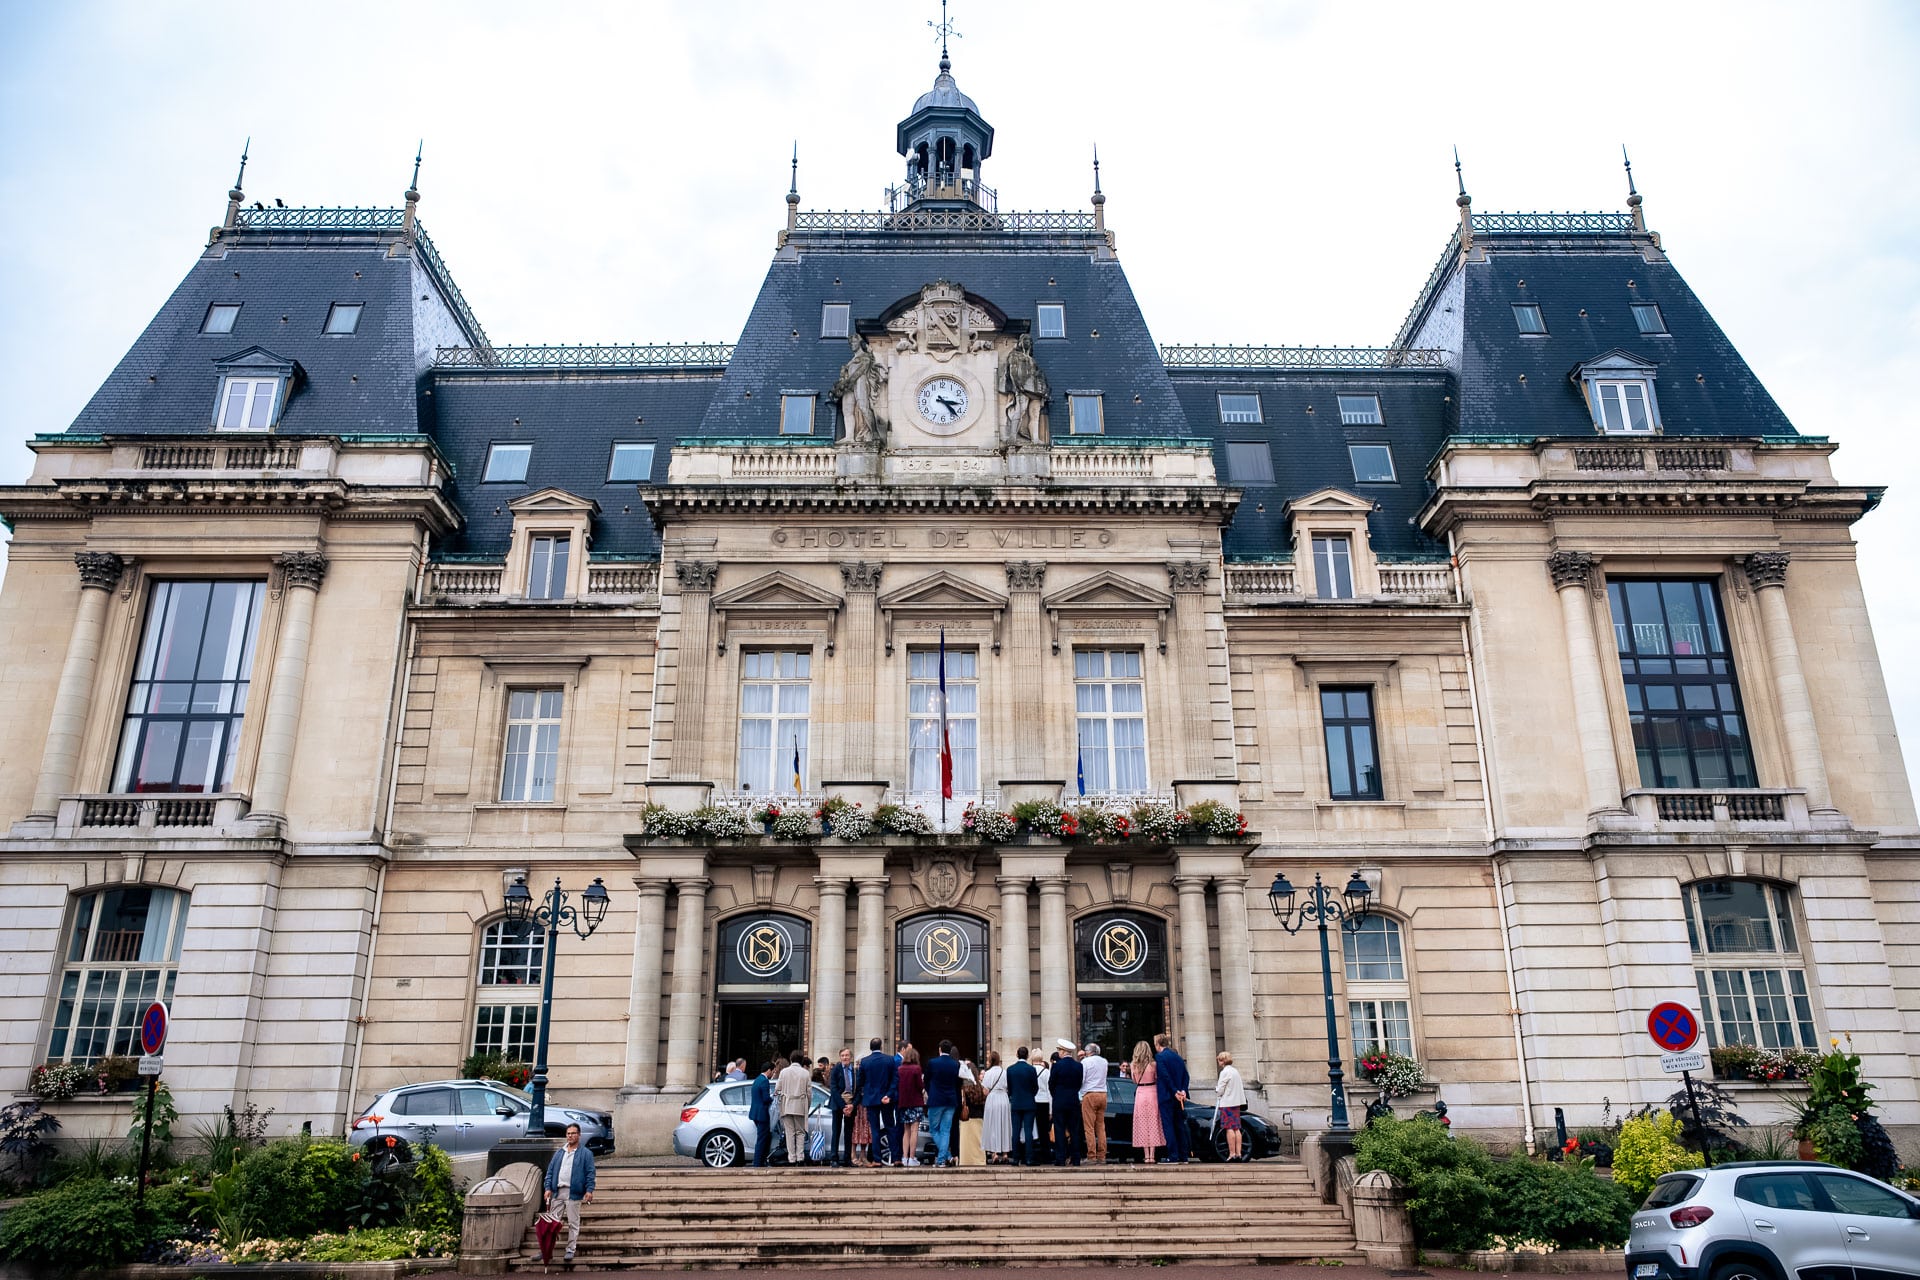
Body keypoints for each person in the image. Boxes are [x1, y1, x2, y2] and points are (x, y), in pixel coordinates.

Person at [543, 1122, 596, 1268]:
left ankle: (570, 1249)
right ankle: (547, 1250)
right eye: (568, 1133)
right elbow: (550, 1171)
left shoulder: (586, 1154)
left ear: (579, 1135)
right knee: (552, 1223)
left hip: (574, 1192)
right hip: (557, 1192)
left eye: (573, 1133)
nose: (570, 1136)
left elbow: (590, 1174)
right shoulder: (560, 1152)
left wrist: (589, 1190)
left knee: (573, 1223)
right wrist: (548, 1188)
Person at [857, 1037, 898, 1167]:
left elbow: (860, 1082)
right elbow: (895, 1080)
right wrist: (889, 1095)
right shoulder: (890, 1060)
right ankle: (896, 1158)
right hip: (886, 1099)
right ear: (881, 1047)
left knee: (874, 1130)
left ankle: (877, 1159)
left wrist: (864, 1092)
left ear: (870, 1048)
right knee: (890, 1127)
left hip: (871, 1099)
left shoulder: (864, 1062)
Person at [1154, 1034, 1191, 1166]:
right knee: (1179, 1126)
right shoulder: (1177, 1057)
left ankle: (1173, 1156)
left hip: (1167, 1096)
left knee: (1168, 1126)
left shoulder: (1160, 1057)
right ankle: (1184, 1156)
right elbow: (1186, 1076)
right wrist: (1183, 1090)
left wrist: (1175, 1091)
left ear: (1158, 1043)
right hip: (1180, 1096)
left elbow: (1165, 1076)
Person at [923, 1040, 961, 1168]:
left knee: (934, 1130)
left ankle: (945, 1158)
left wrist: (930, 1092)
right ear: (950, 1050)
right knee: (946, 1131)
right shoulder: (955, 1064)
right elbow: (956, 1083)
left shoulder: (932, 1063)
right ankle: (944, 1159)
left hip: (936, 1100)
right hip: (950, 1100)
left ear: (940, 1049)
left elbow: (926, 1081)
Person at [1048, 1039, 1084, 1166]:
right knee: (1074, 1130)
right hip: (1073, 1100)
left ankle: (1061, 1158)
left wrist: (1056, 1095)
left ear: (1063, 1051)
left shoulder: (1057, 1066)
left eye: (1059, 1051)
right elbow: (1079, 1083)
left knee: (1059, 1129)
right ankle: (1075, 1158)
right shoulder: (1079, 1066)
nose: (1059, 1053)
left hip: (1059, 1101)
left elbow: (1051, 1084)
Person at [1128, 1040, 1163, 1164]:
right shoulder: (1153, 1064)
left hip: (1140, 1093)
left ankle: (1146, 1155)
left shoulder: (1133, 1065)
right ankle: (1152, 1155)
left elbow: (1134, 1081)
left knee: (1142, 1124)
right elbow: (1157, 1078)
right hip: (1152, 1092)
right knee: (1153, 1123)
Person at [776, 1052, 814, 1167]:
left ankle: (791, 1158)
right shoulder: (805, 1073)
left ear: (791, 1059)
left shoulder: (784, 1072)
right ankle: (800, 1157)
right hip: (800, 1105)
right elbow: (809, 1093)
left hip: (786, 1105)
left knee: (789, 1133)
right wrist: (807, 1107)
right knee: (800, 1132)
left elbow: (777, 1089)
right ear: (801, 1060)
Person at [1006, 1046, 1039, 1166]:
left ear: (1017, 1054)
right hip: (1029, 1103)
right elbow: (1035, 1087)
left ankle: (1015, 1158)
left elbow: (1009, 1088)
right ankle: (1029, 1158)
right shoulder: (1031, 1069)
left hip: (1016, 1103)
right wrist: (1030, 1096)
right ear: (1027, 1056)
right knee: (1028, 1131)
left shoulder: (1010, 1069)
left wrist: (1013, 1096)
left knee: (1015, 1131)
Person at [894, 1044, 926, 1166]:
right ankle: (912, 1158)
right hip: (915, 1103)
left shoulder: (900, 1069)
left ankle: (904, 1157)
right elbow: (920, 1086)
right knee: (914, 1131)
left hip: (903, 1103)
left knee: (906, 1131)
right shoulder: (916, 1069)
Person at [1079, 1041, 1110, 1164]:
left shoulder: (1085, 1062)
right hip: (1103, 1093)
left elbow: (1082, 1078)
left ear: (1088, 1052)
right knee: (1101, 1127)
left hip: (1090, 1093)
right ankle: (1102, 1155)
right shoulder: (1104, 1061)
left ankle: (1091, 1156)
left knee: (1089, 1127)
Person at [1214, 1051, 1248, 1161]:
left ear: (1222, 1061)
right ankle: (1239, 1153)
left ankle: (1232, 1153)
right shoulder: (1235, 1071)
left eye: (1219, 1060)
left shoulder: (1224, 1072)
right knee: (1236, 1129)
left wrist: (1216, 1090)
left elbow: (1220, 1090)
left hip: (1227, 1103)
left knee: (1229, 1129)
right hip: (1236, 1103)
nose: (1218, 1062)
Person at [829, 1047, 858, 1167]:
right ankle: (834, 1158)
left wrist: (852, 1105)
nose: (845, 1058)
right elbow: (833, 1089)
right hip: (838, 1104)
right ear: (840, 1057)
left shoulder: (856, 1071)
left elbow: (859, 1089)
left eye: (847, 1055)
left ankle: (847, 1159)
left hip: (851, 1103)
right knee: (836, 1131)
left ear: (850, 1057)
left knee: (848, 1132)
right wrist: (843, 1106)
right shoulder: (836, 1070)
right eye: (843, 1056)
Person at [980, 1050, 1012, 1163]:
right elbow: (1009, 1087)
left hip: (992, 1098)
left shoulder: (988, 1073)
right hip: (1003, 1098)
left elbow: (985, 1091)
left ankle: (994, 1154)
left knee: (993, 1125)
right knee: (1004, 1125)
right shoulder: (1005, 1072)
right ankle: (1005, 1153)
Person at [749, 1061, 776, 1168]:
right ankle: (758, 1163)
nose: (773, 1074)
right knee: (762, 1139)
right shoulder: (764, 1081)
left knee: (765, 1137)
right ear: (768, 1070)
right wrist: (772, 1097)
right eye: (773, 1071)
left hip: (755, 1113)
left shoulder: (757, 1079)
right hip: (762, 1114)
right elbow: (765, 1099)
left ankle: (761, 1160)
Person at [1034, 1053, 1053, 1162]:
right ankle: (1046, 1154)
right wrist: (1051, 1110)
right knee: (1044, 1130)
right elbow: (1049, 1091)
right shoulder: (1046, 1072)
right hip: (1045, 1102)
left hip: (1033, 1101)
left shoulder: (1030, 1070)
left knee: (1032, 1129)